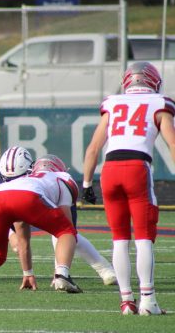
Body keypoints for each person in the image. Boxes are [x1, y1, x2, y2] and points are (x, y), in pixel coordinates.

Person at [82, 61, 175, 316]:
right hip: (137, 167)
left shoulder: (112, 103)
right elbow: (172, 143)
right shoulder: (160, 102)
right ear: (153, 81)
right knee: (144, 237)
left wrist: (86, 184)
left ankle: (126, 302)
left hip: (109, 170)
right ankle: (148, 301)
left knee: (120, 239)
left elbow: (93, 148)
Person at [0, 147, 117, 287]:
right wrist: (10, 235)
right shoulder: (59, 179)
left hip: (3, 201)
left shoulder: (13, 182)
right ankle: (73, 273)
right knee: (65, 233)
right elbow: (65, 233)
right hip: (27, 199)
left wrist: (28, 272)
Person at [0, 154, 82, 294]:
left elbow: (22, 235)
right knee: (66, 232)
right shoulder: (63, 178)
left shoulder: (25, 178)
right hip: (27, 195)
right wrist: (60, 269)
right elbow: (66, 226)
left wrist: (28, 273)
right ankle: (63, 275)